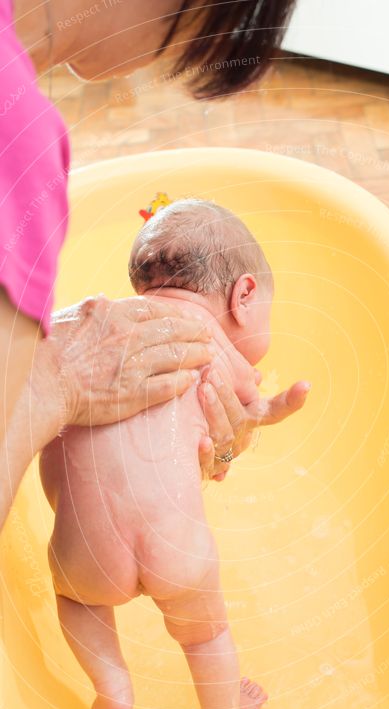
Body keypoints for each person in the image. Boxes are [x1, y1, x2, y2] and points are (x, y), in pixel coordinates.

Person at [0, 0, 304, 532]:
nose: (173, 60)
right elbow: (209, 464)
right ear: (244, 294)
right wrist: (55, 382)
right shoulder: (16, 138)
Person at [40, 199, 308, 709]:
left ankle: (112, 684)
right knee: (205, 635)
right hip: (176, 548)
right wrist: (256, 425)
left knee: (74, 598)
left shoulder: (88, 336)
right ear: (245, 294)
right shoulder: (210, 343)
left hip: (85, 552)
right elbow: (235, 432)